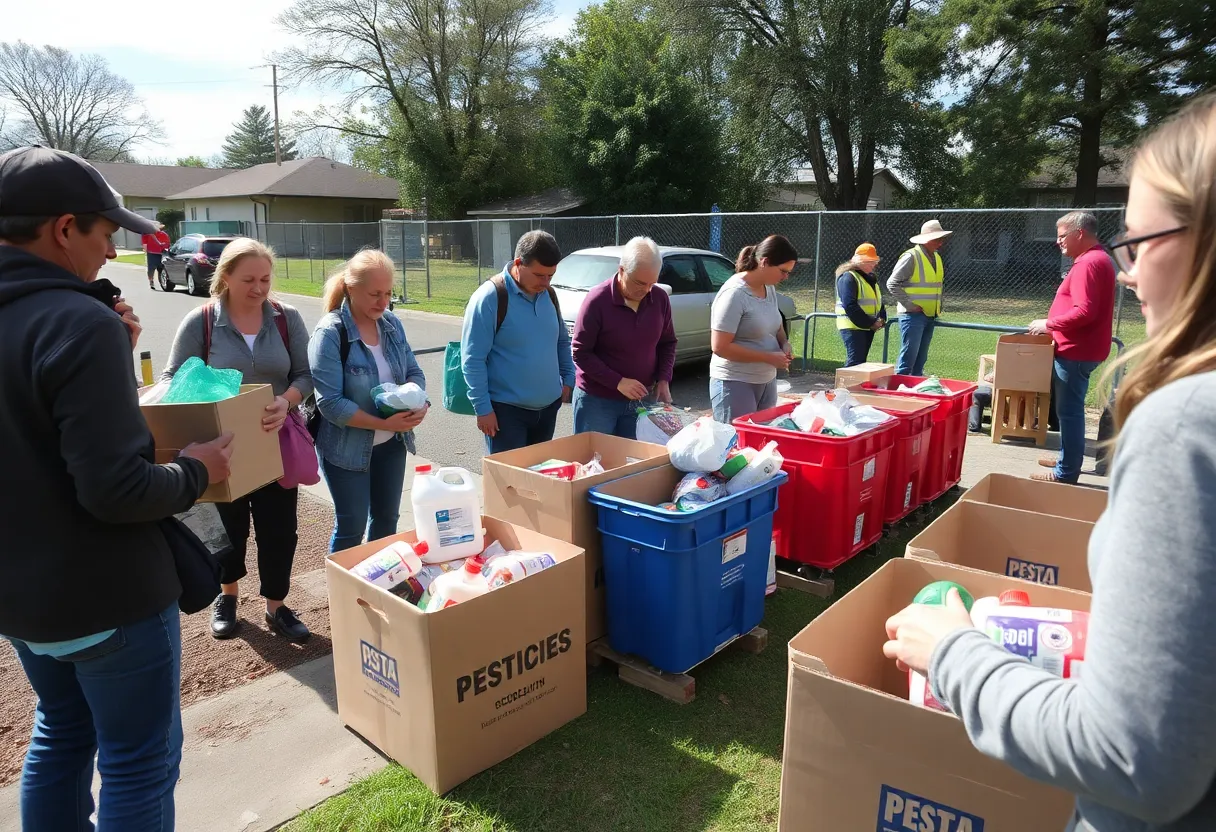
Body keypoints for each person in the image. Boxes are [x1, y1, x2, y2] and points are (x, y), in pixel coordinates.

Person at [883, 93, 1216, 832]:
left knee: (1069, 424)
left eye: (1142, 240)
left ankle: (1067, 471)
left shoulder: (1187, 426)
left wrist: (954, 656)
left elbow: (1132, 756)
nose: (1129, 271)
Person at [0, 146, 232, 831]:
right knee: (137, 760)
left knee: (61, 736)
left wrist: (117, 357)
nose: (109, 253)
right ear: (63, 228)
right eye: (105, 236)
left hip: (22, 601)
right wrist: (197, 468)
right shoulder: (76, 321)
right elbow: (116, 489)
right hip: (107, 595)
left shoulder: (60, 321)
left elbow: (37, 439)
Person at [162, 238, 314, 643]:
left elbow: (305, 375)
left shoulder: (286, 318)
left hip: (273, 442)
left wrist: (286, 400)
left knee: (279, 528)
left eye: (265, 279)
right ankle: (227, 597)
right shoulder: (203, 321)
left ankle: (277, 606)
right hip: (220, 446)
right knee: (229, 529)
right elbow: (172, 378)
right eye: (249, 279)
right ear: (225, 277)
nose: (260, 288)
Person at [310, 249, 428, 553]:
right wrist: (381, 422)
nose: (383, 301)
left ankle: (380, 584)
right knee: (352, 527)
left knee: (387, 520)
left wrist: (418, 402)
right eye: (375, 293)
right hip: (346, 450)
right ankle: (345, 595)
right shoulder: (330, 333)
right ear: (351, 289)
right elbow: (330, 404)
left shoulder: (391, 324)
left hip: (392, 444)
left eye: (388, 293)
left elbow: (413, 370)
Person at [461, 230, 575, 453]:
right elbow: (473, 360)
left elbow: (561, 341)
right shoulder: (490, 297)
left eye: (550, 276)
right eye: (539, 275)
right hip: (506, 415)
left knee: (538, 481)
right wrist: (483, 409)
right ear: (518, 263)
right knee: (509, 484)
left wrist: (568, 377)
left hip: (548, 410)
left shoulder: (549, 295)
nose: (546, 282)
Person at [1027, 211, 1117, 484]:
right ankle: (1069, 457)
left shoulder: (1089, 263)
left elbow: (1084, 312)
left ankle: (1066, 473)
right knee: (1069, 411)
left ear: (1079, 233)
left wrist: (1049, 324)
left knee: (1070, 412)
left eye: (1062, 236)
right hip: (1082, 349)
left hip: (1077, 351)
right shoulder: (1097, 259)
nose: (1058, 242)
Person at [571, 236, 677, 438]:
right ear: (621, 270)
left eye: (651, 283)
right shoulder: (597, 300)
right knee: (595, 464)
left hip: (642, 399)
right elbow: (580, 352)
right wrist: (617, 381)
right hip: (597, 401)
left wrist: (664, 379)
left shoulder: (659, 298)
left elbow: (668, 342)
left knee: (635, 462)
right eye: (639, 283)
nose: (646, 290)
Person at [709, 235, 796, 423]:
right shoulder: (734, 294)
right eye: (783, 271)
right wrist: (768, 357)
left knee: (760, 446)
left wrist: (784, 343)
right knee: (736, 446)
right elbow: (720, 347)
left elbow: (776, 324)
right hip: (735, 382)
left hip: (766, 380)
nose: (785, 277)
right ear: (764, 262)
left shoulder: (769, 288)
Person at [887, 219, 951, 376]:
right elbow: (892, 283)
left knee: (920, 361)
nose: (941, 243)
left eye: (942, 239)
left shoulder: (936, 258)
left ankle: (915, 395)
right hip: (912, 316)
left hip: (930, 314)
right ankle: (899, 393)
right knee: (907, 360)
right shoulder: (911, 256)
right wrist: (909, 305)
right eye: (938, 239)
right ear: (927, 239)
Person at [834, 242, 887, 367]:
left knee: (859, 363)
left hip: (866, 326)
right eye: (870, 261)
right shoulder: (848, 277)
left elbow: (878, 302)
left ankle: (851, 386)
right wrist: (871, 322)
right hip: (853, 326)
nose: (875, 264)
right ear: (860, 262)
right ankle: (845, 386)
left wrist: (881, 318)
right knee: (855, 362)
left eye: (875, 261)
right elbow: (850, 305)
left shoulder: (869, 279)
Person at [141, 221, 171, 289]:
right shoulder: (148, 234)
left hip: (157, 253)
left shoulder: (163, 234)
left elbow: (167, 244)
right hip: (156, 253)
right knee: (156, 268)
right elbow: (144, 244)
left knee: (156, 269)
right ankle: (154, 281)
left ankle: (157, 282)